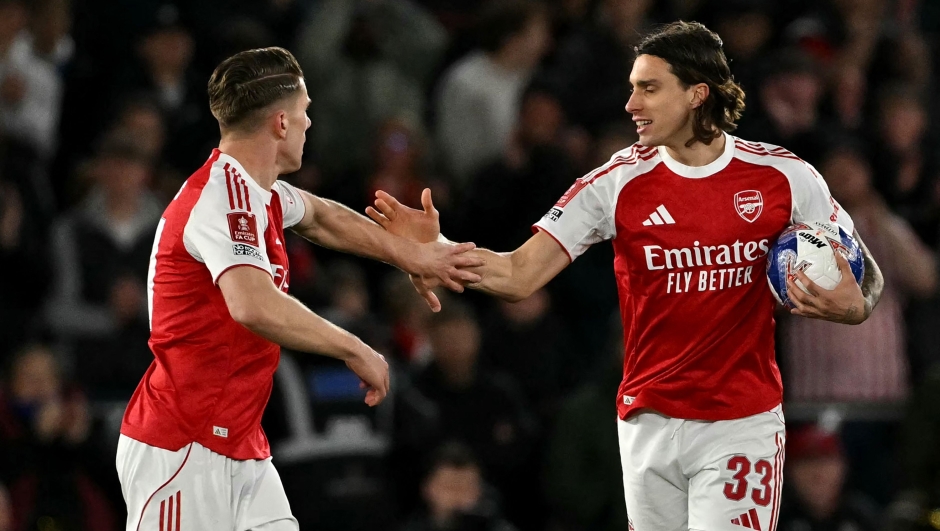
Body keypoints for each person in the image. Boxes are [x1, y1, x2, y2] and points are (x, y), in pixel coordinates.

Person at [367, 21, 885, 531]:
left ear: (696, 95)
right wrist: (436, 252)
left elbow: (866, 272)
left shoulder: (784, 177)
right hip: (647, 421)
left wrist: (856, 307)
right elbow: (518, 274)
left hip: (741, 422)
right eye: (632, 88)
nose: (630, 105)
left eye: (649, 89)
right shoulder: (615, 184)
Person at [116, 47, 482, 531]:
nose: (311, 124)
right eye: (306, 112)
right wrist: (353, 347)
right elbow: (252, 303)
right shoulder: (221, 200)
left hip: (241, 445)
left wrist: (411, 255)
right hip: (183, 447)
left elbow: (321, 217)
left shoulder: (256, 192)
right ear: (282, 123)